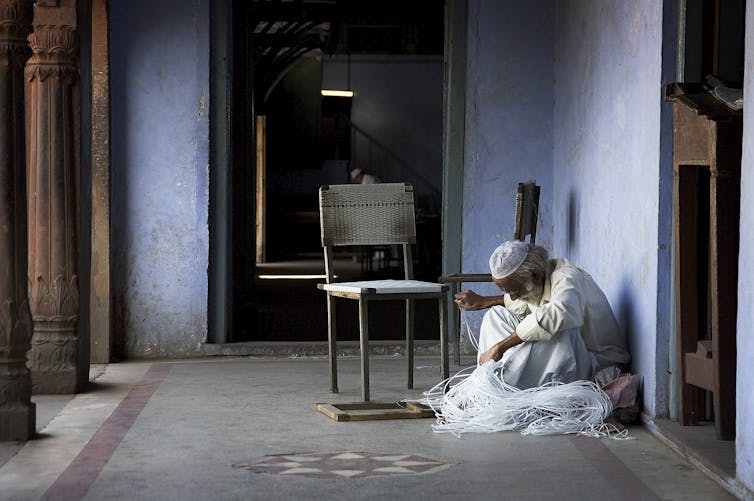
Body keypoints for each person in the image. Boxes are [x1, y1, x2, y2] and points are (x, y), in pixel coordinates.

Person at [454, 241, 630, 389]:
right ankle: (488, 383)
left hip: (596, 364)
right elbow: (518, 303)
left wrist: (501, 346)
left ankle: (501, 388)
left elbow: (559, 314)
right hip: (569, 362)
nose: (512, 296)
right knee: (495, 315)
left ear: (535, 276)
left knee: (556, 328)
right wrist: (484, 301)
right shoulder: (537, 280)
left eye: (514, 290)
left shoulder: (567, 277)